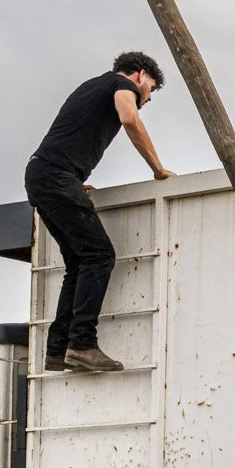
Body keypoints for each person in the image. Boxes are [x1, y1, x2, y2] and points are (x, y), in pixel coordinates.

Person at [26, 54, 170, 375]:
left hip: (43, 175)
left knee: (78, 262)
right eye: (151, 89)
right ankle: (82, 345)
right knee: (100, 256)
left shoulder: (91, 86)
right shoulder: (121, 84)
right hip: (57, 177)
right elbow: (129, 118)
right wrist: (158, 169)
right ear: (140, 75)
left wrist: (71, 183)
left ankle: (58, 349)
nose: (147, 98)